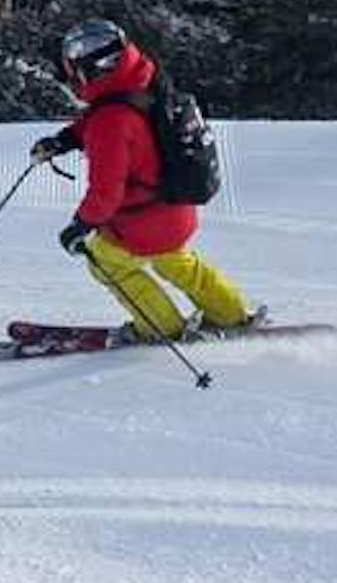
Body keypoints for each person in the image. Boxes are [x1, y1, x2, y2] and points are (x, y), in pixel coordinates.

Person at [35, 19, 261, 343]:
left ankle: (161, 328)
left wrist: (80, 226)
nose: (70, 77)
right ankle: (232, 315)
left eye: (73, 69)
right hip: (176, 207)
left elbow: (106, 191)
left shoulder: (108, 122)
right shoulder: (144, 80)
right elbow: (117, 114)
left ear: (91, 70)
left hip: (141, 220)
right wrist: (66, 139)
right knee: (178, 263)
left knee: (106, 262)